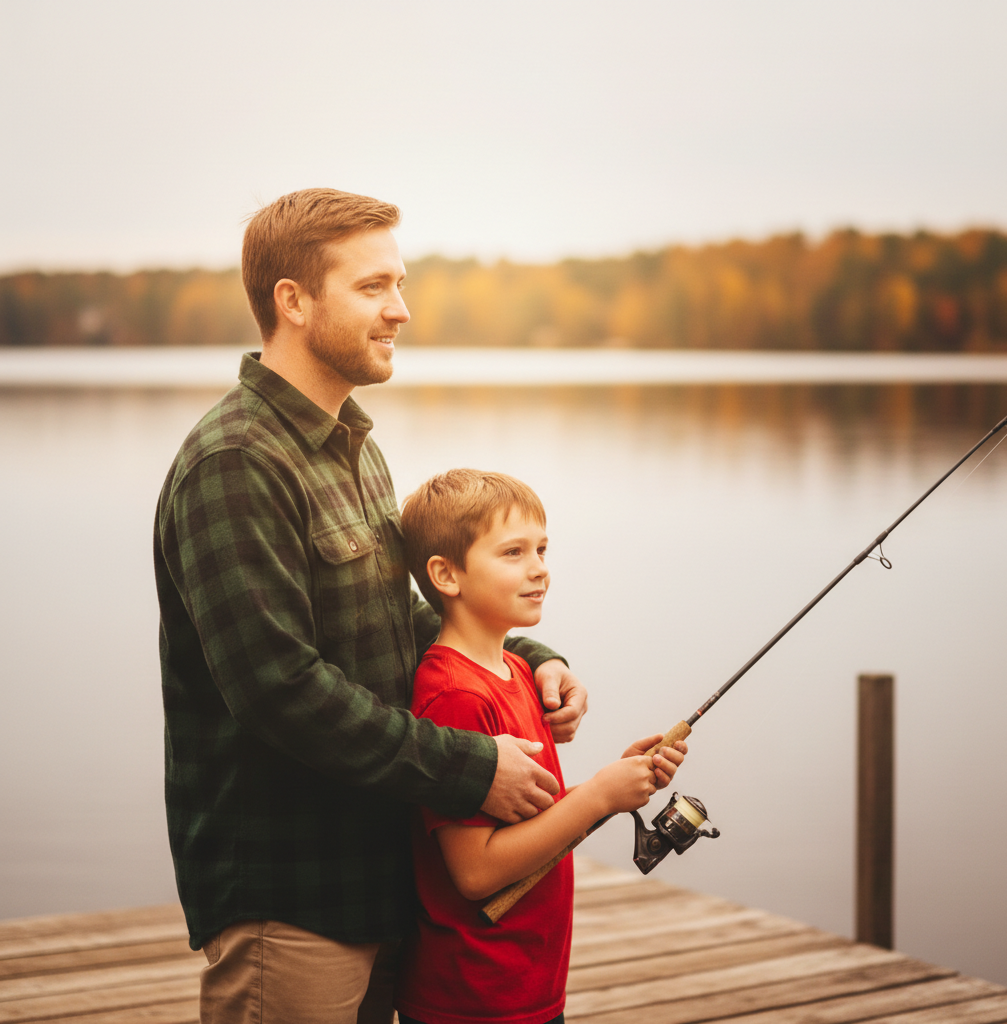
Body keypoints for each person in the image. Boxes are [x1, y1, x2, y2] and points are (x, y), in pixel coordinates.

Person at [153, 188, 589, 1024]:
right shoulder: (235, 462)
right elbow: (280, 689)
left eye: (400, 283)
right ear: (294, 301)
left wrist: (533, 662)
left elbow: (404, 615)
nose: (402, 309)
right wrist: (471, 771)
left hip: (383, 881)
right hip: (290, 900)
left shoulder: (354, 447)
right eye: (373, 287)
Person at [395, 469, 688, 1024]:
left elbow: (529, 821)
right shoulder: (453, 696)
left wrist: (617, 783)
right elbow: (475, 871)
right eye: (513, 553)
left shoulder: (517, 671)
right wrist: (597, 798)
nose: (540, 569)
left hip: (528, 984)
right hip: (471, 995)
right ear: (445, 575)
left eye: (542, 549)